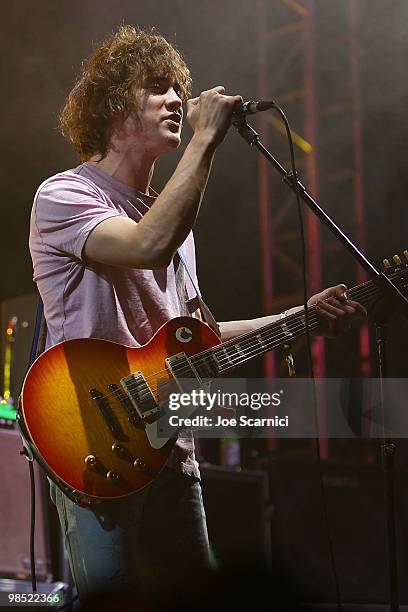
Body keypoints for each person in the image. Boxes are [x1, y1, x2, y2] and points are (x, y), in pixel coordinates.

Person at [29, 25, 366, 608]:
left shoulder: (177, 226)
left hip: (171, 448)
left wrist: (300, 317)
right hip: (91, 440)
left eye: (178, 89)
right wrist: (205, 142)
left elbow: (201, 338)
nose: (177, 101)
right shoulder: (65, 195)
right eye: (157, 88)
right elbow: (143, 246)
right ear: (113, 105)